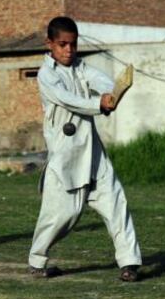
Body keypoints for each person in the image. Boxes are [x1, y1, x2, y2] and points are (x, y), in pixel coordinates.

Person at [27, 16, 142, 282]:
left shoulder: (81, 68)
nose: (68, 50)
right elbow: (69, 100)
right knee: (61, 216)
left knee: (116, 203)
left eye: (73, 44)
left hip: (93, 152)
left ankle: (129, 262)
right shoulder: (47, 75)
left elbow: (102, 81)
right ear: (50, 44)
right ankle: (36, 260)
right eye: (62, 44)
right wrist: (99, 104)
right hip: (66, 156)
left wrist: (111, 95)